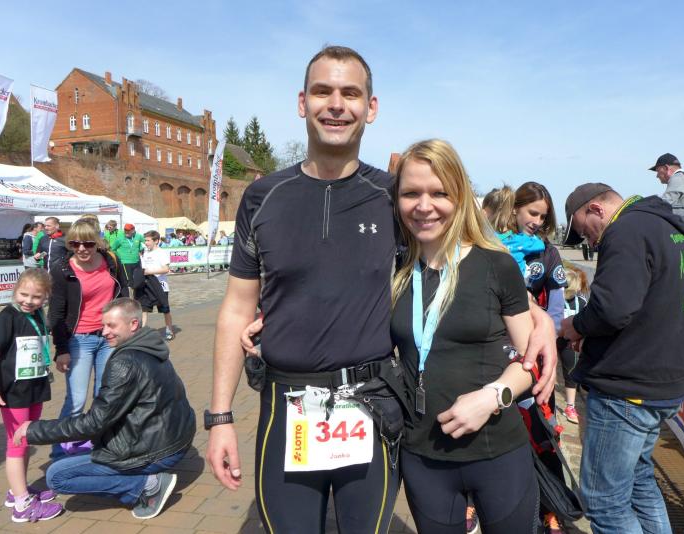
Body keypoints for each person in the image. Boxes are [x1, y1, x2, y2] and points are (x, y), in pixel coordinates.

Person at [208, 44, 559, 534]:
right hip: (287, 403)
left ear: (370, 107)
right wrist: (220, 417)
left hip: (369, 402)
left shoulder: (392, 197)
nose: (336, 104)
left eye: (350, 93)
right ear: (302, 102)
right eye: (322, 91)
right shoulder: (262, 197)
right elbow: (235, 309)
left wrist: (538, 319)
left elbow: (467, 252)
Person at [392, 139, 539, 533]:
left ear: (459, 197)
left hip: (497, 452)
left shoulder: (496, 265)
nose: (424, 205)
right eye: (411, 193)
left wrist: (493, 397)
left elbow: (531, 361)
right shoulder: (397, 271)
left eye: (439, 193)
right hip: (423, 456)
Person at [560, 183, 684, 533]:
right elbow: (649, 305)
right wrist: (593, 335)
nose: (590, 242)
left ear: (596, 209)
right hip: (664, 381)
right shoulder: (667, 228)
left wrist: (576, 326)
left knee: (604, 501)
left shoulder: (626, 231)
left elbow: (612, 309)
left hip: (628, 388)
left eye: (585, 231)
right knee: (639, 482)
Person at [15, 298, 195, 520]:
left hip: (158, 450)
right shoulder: (151, 345)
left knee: (57, 476)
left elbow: (94, 422)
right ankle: (143, 478)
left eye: (111, 326)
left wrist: (34, 430)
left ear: (133, 324)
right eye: (103, 325)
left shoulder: (125, 362)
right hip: (175, 439)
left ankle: (148, 486)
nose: (104, 332)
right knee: (82, 449)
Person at [511, 181, 567, 533]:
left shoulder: (548, 252)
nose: (537, 221)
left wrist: (547, 341)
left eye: (544, 217)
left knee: (542, 432)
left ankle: (552, 506)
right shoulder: (492, 245)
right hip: (496, 356)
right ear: (515, 208)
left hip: (536, 358)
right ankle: (475, 501)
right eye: (532, 213)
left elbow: (557, 307)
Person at [48, 220, 127, 458]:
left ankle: (98, 444)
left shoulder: (111, 261)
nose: (82, 248)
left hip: (109, 338)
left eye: (88, 243)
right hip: (78, 339)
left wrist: (126, 330)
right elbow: (56, 313)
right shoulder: (62, 268)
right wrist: (61, 348)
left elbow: (123, 293)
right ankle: (59, 452)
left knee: (105, 396)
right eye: (75, 243)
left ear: (97, 242)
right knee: (76, 400)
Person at [0, 269, 64, 523]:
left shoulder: (37, 314)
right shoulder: (8, 316)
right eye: (24, 294)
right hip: (13, 391)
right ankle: (22, 506)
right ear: (15, 291)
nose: (29, 301)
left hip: (34, 387)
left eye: (36, 297)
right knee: (17, 444)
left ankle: (18, 491)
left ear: (45, 296)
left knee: (27, 439)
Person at [561, 267, 589, 424]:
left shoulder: (582, 302)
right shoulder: (554, 298)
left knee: (570, 372)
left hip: (569, 342)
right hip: (553, 338)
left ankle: (570, 406)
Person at [137, 230, 175, 341]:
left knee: (165, 310)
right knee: (144, 309)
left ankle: (169, 330)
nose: (146, 243)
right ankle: (142, 333)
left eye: (148, 240)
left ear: (156, 241)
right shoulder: (144, 252)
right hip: (147, 285)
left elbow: (166, 269)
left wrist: (150, 272)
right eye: (145, 240)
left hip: (160, 286)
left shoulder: (161, 252)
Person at [110, 223, 144, 297]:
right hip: (125, 263)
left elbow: (144, 244)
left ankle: (137, 297)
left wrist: (141, 249)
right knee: (129, 282)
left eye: (128, 231)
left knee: (138, 281)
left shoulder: (138, 236)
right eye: (125, 230)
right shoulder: (120, 238)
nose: (126, 232)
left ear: (133, 230)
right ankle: (129, 299)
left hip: (137, 262)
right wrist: (119, 256)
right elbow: (112, 249)